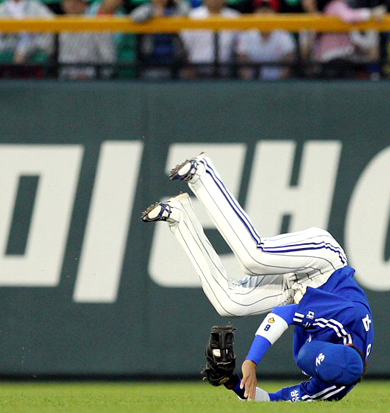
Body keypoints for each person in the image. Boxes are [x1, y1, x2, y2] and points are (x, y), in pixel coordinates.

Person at [141, 153, 374, 402]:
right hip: (323, 264)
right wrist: (251, 360)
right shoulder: (350, 316)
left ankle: (179, 216)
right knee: (254, 257)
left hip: (298, 292)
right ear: (344, 346)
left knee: (230, 302)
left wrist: (232, 382)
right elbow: (282, 315)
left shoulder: (334, 386)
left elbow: (275, 401)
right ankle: (201, 172)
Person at [313, 0, 383, 78]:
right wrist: (371, 13)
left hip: (334, 60)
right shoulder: (336, 4)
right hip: (335, 61)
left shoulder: (329, 7)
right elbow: (348, 17)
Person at [131, 0, 189, 79]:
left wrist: (178, 2)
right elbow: (135, 16)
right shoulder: (146, 8)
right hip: (151, 63)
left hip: (174, 62)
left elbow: (186, 12)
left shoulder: (174, 10)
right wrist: (152, 14)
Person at [181, 0, 239, 78]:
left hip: (226, 75)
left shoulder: (235, 18)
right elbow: (184, 48)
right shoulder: (192, 17)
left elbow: (239, 49)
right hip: (196, 74)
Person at [236, 0, 295, 80]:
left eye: (268, 10)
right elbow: (243, 64)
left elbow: (289, 63)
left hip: (278, 84)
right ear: (254, 13)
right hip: (253, 85)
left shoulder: (284, 35)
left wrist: (278, 85)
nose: (264, 13)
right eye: (260, 10)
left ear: (275, 13)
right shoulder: (246, 35)